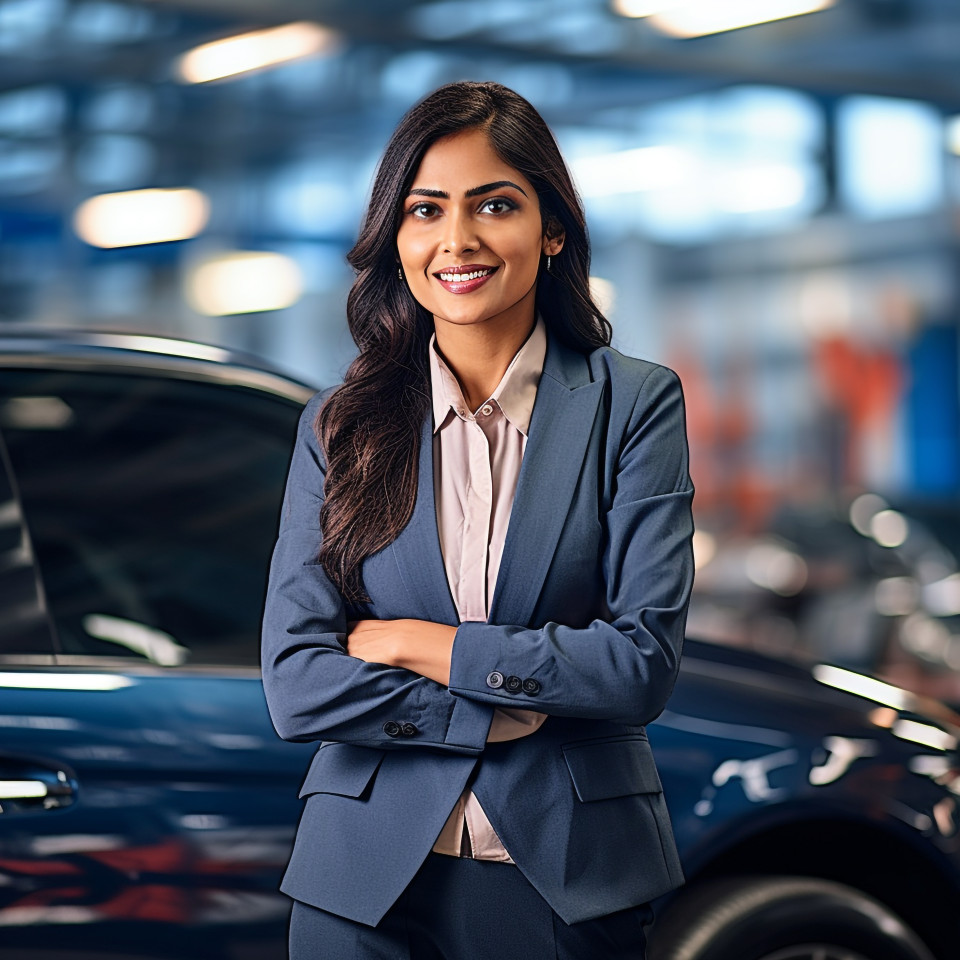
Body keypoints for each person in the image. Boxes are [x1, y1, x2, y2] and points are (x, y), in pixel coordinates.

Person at [261, 80, 695, 960]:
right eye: (425, 210)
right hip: (360, 883)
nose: (456, 240)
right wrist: (480, 716)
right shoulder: (340, 426)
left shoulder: (634, 405)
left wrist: (419, 644)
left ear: (552, 228)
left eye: (494, 205)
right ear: (396, 238)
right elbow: (298, 682)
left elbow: (638, 666)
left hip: (567, 876)